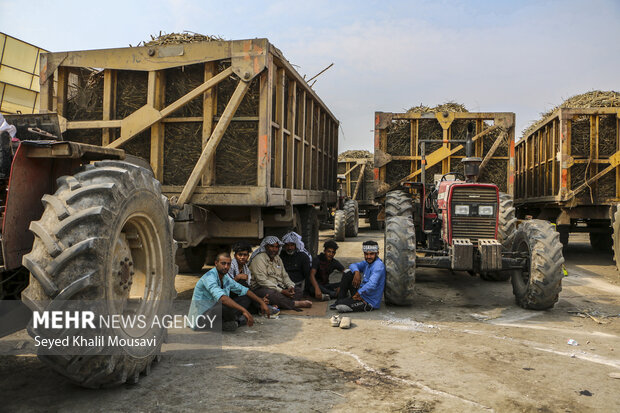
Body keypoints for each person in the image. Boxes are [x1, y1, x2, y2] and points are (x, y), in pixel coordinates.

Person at [188, 252, 270, 332]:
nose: (226, 267)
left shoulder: (225, 277)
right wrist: (244, 310)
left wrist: (261, 302)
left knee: (245, 298)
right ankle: (236, 321)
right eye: (223, 263)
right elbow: (223, 299)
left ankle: (231, 322)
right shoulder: (209, 277)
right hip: (202, 318)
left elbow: (244, 290)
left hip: (216, 313)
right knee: (223, 306)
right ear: (216, 263)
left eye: (228, 264)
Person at [249, 236, 312, 310]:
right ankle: (294, 304)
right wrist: (282, 291)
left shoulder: (277, 258)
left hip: (278, 287)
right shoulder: (259, 258)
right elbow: (262, 281)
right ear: (266, 247)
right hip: (261, 288)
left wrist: (290, 286)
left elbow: (285, 276)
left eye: (276, 247)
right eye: (271, 246)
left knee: (298, 291)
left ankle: (279, 304)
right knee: (272, 294)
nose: (274, 249)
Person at [331, 240, 386, 313]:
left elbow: (372, 284)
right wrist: (357, 272)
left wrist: (359, 293)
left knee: (340, 307)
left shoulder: (378, 266)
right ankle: (341, 299)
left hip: (369, 301)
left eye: (371, 254)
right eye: (366, 254)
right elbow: (352, 265)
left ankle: (348, 301)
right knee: (348, 272)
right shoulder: (367, 263)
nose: (368, 257)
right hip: (361, 295)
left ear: (377, 253)